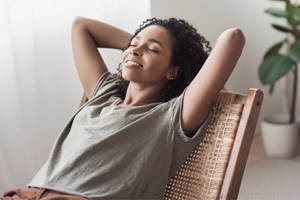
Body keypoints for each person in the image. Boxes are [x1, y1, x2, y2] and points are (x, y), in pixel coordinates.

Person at [2, 16, 245, 199]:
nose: (134, 49)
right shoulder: (103, 92)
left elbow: (233, 38)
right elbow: (81, 26)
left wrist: (185, 61)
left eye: (152, 49)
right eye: (132, 44)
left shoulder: (171, 117)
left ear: (173, 71)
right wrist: (140, 51)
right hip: (29, 194)